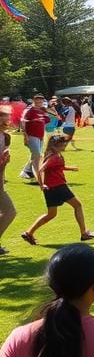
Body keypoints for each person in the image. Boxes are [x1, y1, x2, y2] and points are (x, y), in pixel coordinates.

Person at [20, 134, 94, 246]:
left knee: (51, 214)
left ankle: (29, 233)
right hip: (58, 186)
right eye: (62, 144)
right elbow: (41, 169)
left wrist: (70, 169)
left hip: (51, 188)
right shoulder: (54, 157)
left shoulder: (54, 154)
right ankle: (84, 233)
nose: (64, 146)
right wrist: (41, 184)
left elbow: (57, 167)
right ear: (55, 146)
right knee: (78, 205)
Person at [19, 94, 52, 182]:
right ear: (34, 101)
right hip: (31, 136)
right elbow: (22, 122)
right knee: (37, 155)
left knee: (35, 155)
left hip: (40, 136)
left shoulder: (41, 111)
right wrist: (25, 135)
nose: (39, 103)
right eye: (37, 102)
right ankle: (37, 176)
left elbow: (47, 121)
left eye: (41, 102)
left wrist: (45, 112)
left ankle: (26, 171)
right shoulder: (30, 110)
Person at [0, 107, 17, 255]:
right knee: (9, 211)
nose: (6, 120)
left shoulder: (5, 137)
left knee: (9, 212)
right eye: (2, 117)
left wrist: (5, 161)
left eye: (7, 117)